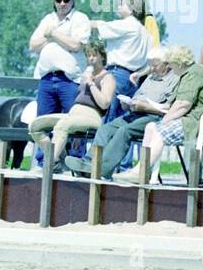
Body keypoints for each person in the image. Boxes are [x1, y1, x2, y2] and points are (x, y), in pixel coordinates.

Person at [114, 46, 203, 183]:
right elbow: (172, 104)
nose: (169, 67)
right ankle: (143, 172)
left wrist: (166, 119)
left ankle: (139, 172)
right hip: (192, 118)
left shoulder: (194, 73)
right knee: (151, 127)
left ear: (179, 63)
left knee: (161, 130)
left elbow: (183, 104)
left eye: (170, 63)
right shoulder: (183, 75)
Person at [65, 46, 177, 179]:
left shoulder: (174, 79)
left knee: (124, 131)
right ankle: (89, 162)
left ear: (167, 64)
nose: (152, 69)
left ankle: (102, 169)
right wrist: (128, 104)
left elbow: (168, 109)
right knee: (106, 128)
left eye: (155, 65)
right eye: (150, 65)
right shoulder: (150, 77)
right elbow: (137, 97)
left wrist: (145, 107)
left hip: (153, 117)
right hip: (135, 113)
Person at [28, 0, 91, 166]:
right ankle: (45, 162)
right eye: (58, 0)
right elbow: (33, 45)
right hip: (47, 78)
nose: (62, 4)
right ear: (53, 1)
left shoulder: (80, 19)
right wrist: (56, 35)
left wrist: (52, 34)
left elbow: (75, 45)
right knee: (43, 123)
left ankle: (76, 161)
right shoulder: (48, 18)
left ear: (73, 0)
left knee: (74, 123)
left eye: (66, 0)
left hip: (70, 80)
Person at [28, 41, 114, 172]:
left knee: (62, 125)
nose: (91, 59)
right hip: (73, 113)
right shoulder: (86, 74)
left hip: (91, 115)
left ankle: (47, 165)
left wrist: (91, 84)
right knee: (35, 125)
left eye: (94, 55)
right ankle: (57, 160)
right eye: (88, 56)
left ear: (102, 56)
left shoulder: (108, 78)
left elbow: (105, 103)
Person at [91, 0, 151, 121]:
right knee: (121, 120)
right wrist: (138, 74)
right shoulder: (146, 33)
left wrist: (81, 23)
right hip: (132, 80)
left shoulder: (126, 25)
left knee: (107, 117)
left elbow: (99, 26)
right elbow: (149, 64)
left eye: (122, 4)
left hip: (116, 75)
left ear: (131, 9)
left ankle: (101, 142)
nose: (118, 6)